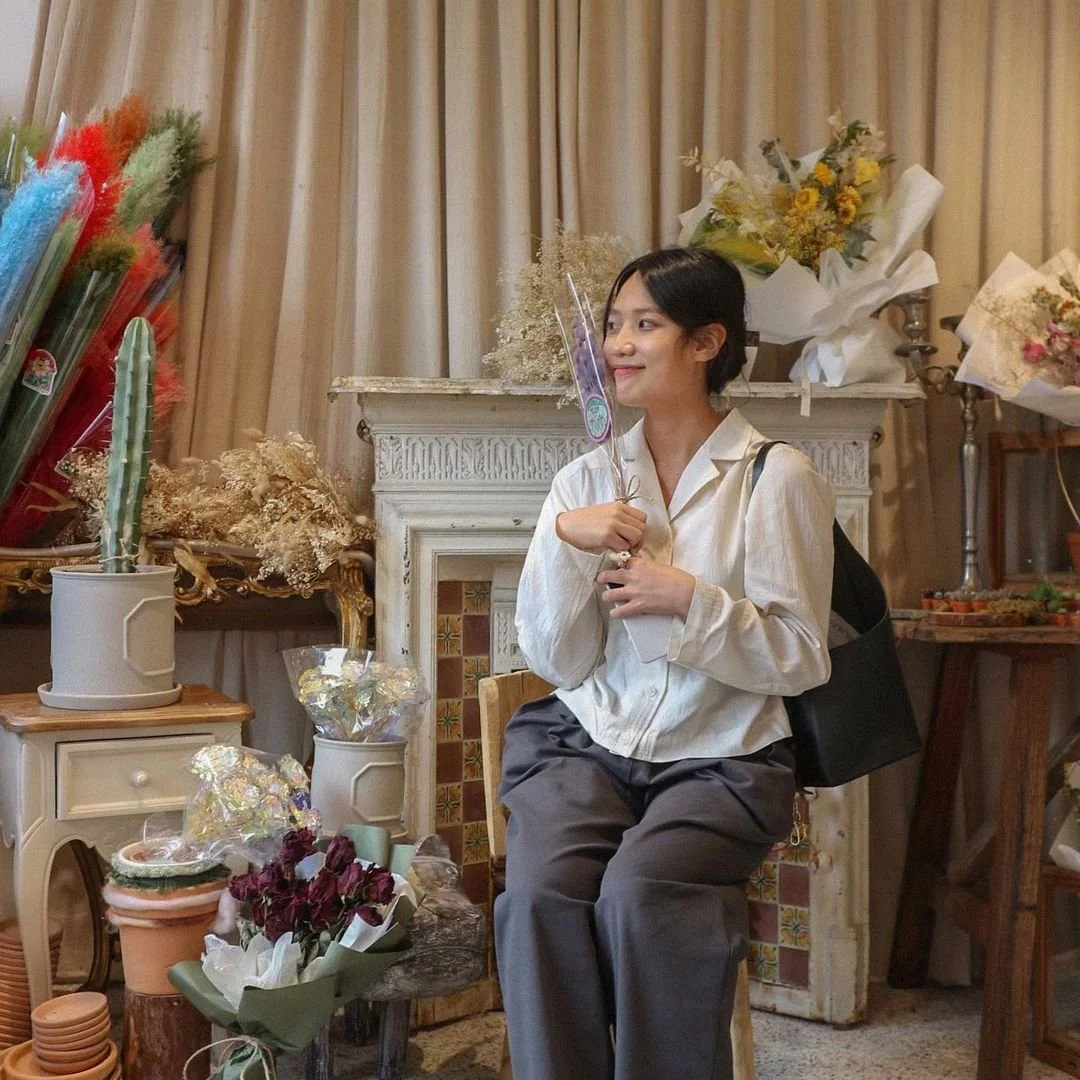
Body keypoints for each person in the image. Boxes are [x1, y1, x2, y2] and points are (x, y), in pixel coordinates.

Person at [493, 246, 836, 1080]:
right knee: (536, 899)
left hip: (723, 760)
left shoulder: (775, 478)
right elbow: (559, 661)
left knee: (641, 896)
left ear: (706, 342)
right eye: (613, 324)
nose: (619, 344)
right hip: (586, 746)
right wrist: (564, 540)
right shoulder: (584, 481)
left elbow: (801, 656)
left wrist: (690, 602)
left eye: (645, 324)